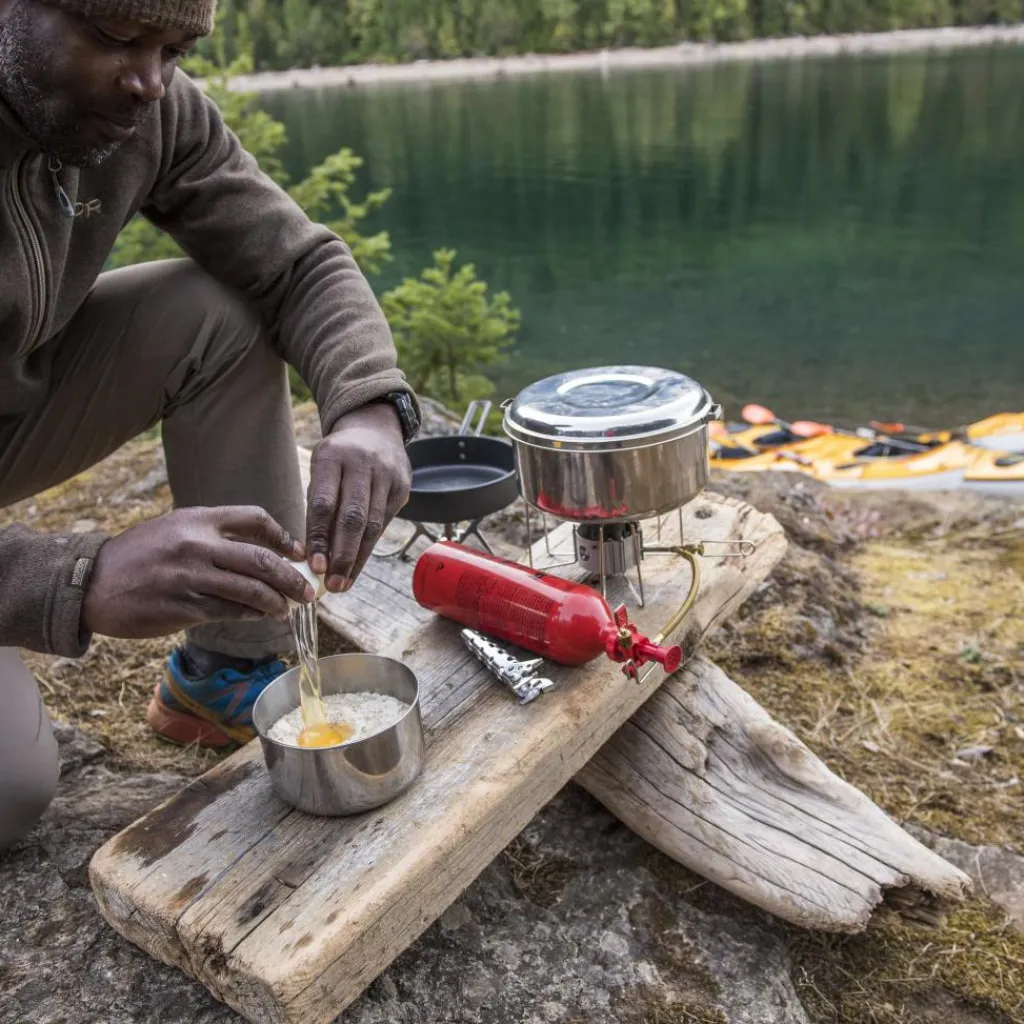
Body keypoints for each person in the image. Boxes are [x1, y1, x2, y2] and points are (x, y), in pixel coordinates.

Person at [0, 0, 423, 850]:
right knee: (10, 792)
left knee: (221, 310)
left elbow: (296, 265)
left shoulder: (148, 110)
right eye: (117, 38)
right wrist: (77, 577)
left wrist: (369, 406)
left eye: (176, 49)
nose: (149, 83)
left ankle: (226, 668)